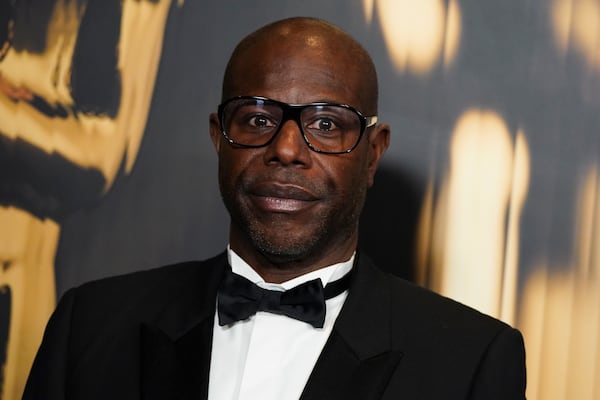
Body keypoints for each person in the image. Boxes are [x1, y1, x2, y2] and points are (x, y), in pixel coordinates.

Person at [23, 17, 526, 400]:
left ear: (372, 153)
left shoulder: (471, 362)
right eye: (258, 118)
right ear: (219, 138)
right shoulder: (89, 326)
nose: (286, 149)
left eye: (327, 124)